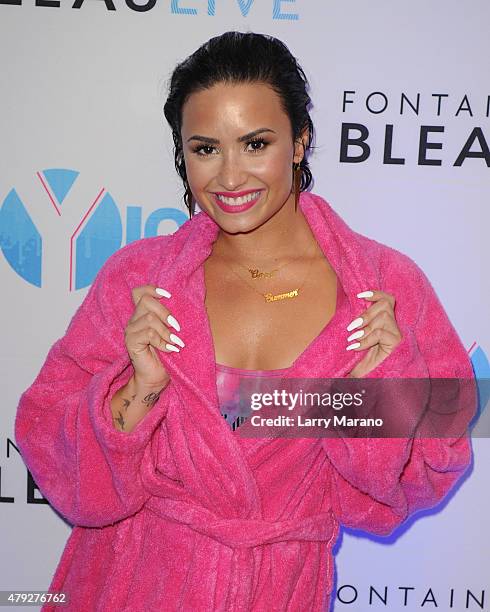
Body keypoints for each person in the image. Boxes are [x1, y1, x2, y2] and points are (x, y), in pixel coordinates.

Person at [15, 31, 476, 611]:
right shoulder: (139, 278)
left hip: (278, 589)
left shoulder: (386, 287)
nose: (229, 177)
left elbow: (432, 467)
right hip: (127, 581)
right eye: (205, 149)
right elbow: (54, 450)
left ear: (300, 143)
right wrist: (135, 392)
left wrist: (381, 394)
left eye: (255, 144)